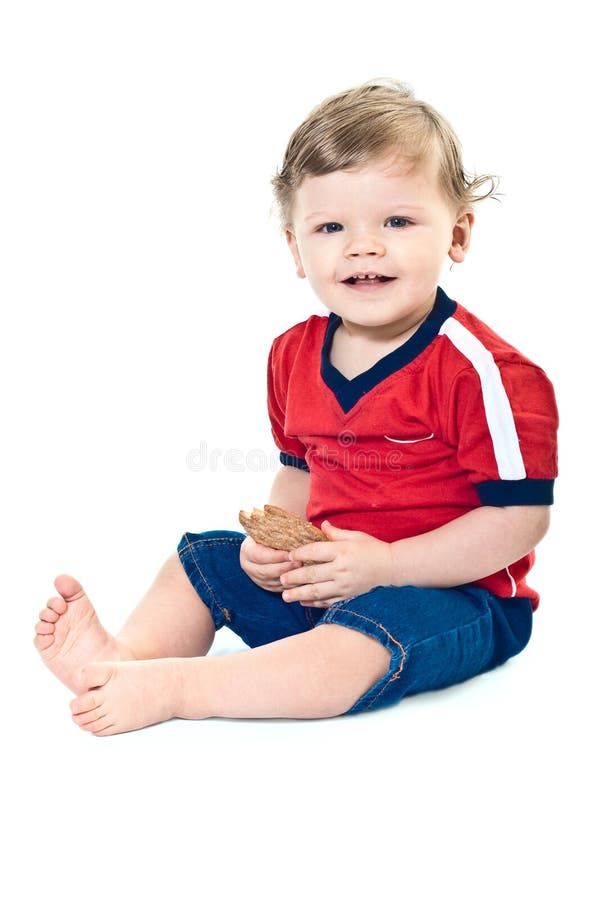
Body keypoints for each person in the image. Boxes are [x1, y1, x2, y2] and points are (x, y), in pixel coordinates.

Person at [34, 78, 558, 736]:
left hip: (457, 597)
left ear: (457, 234)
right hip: (330, 576)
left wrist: (389, 566)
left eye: (397, 221)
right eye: (331, 226)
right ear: (295, 247)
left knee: (360, 644)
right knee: (204, 557)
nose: (363, 245)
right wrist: (273, 542)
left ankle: (184, 688)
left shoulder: (483, 372)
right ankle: (129, 658)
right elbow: (302, 473)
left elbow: (518, 523)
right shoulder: (292, 355)